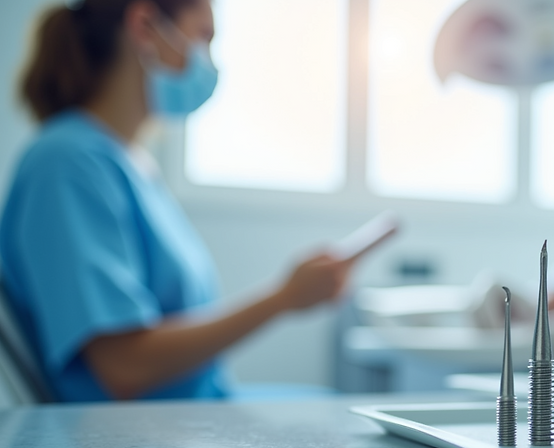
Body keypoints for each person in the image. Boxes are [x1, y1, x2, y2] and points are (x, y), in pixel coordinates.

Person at [0, 0, 359, 401]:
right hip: (134, 444)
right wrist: (284, 298)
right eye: (202, 36)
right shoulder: (65, 164)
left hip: (193, 415)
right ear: (143, 26)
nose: (208, 62)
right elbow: (124, 365)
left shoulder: (132, 163)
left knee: (332, 409)